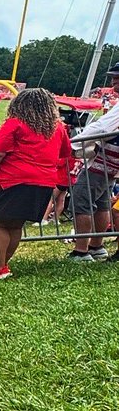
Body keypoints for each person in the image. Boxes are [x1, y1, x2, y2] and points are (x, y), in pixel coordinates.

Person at [0, 87, 72, 278]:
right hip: (44, 182)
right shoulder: (58, 128)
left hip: (14, 179)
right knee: (15, 224)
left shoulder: (15, 123)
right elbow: (65, 152)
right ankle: (2, 265)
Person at [67, 60, 119, 262]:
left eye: (117, 79)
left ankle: (82, 251)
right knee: (102, 203)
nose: (114, 84)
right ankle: (96, 246)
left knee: (82, 202)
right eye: (113, 79)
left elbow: (101, 129)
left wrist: (74, 145)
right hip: (110, 165)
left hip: (102, 162)